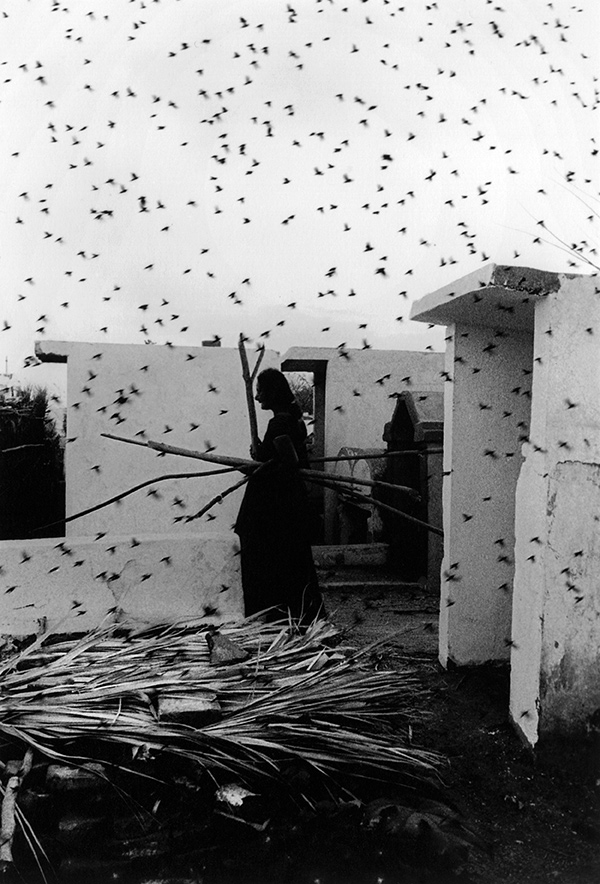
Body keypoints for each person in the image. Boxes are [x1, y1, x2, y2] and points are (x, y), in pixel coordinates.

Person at [234, 368, 325, 625]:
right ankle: (291, 612)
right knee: (289, 555)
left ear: (272, 392)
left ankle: (272, 612)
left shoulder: (280, 423)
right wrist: (260, 456)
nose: (257, 397)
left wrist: (256, 462)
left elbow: (289, 462)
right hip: (284, 503)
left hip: (273, 506)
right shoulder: (293, 420)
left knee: (264, 554)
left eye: (260, 391)